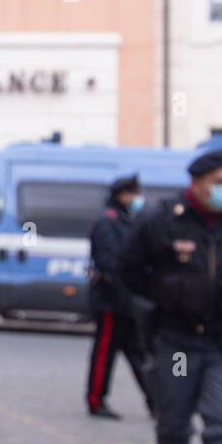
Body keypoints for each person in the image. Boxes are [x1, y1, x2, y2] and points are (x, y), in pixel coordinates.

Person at [119, 148, 222, 444]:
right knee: (174, 426)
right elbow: (128, 271)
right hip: (178, 343)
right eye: (220, 183)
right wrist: (151, 310)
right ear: (197, 184)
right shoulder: (163, 220)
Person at [85, 173, 153, 418]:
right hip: (111, 301)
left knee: (138, 354)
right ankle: (96, 400)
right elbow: (109, 263)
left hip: (128, 302)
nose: (138, 199)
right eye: (135, 194)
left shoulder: (128, 220)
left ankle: (156, 403)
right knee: (105, 353)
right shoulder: (108, 222)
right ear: (123, 196)